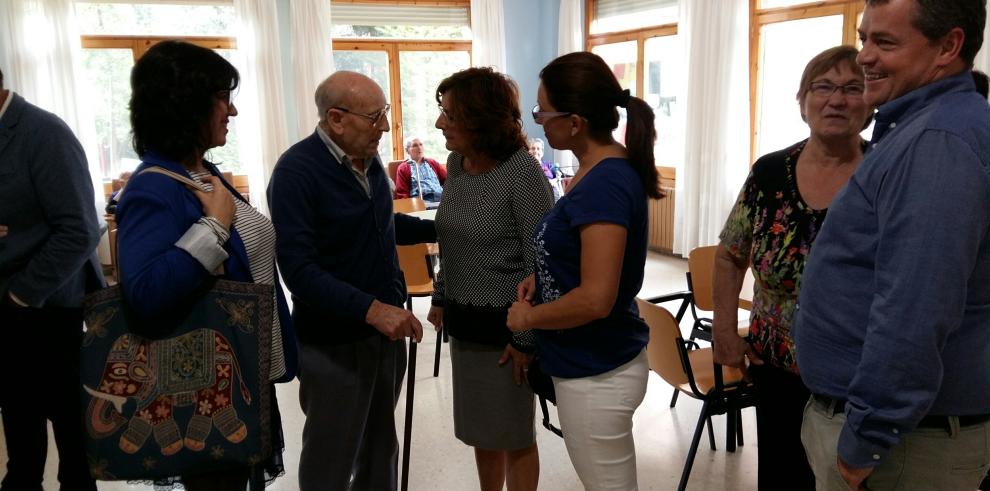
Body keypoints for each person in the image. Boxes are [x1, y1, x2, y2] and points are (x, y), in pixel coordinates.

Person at [792, 1, 990, 490]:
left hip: (901, 448)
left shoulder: (939, 141)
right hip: (894, 434)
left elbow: (915, 307)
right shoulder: (917, 128)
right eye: (864, 39)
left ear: (948, 46)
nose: (863, 58)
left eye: (884, 42)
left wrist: (867, 440)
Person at [116, 40, 295, 490]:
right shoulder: (153, 188)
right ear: (185, 104)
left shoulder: (204, 172)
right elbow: (145, 293)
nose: (231, 112)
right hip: (201, 388)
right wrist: (215, 226)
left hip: (235, 376)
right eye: (222, 98)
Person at [712, 45, 871, 491]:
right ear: (802, 102)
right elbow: (728, 255)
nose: (836, 100)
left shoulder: (885, 173)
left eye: (852, 88)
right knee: (782, 477)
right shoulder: (769, 174)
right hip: (775, 366)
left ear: (872, 101)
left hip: (857, 382)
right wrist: (725, 329)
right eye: (823, 87)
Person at [268, 71, 436, 491]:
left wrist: (443, 226)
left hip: (384, 333)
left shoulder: (368, 159)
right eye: (375, 116)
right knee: (332, 454)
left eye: (385, 115)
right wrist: (373, 310)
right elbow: (299, 272)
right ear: (337, 119)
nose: (384, 126)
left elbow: (380, 226)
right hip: (333, 343)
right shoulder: (296, 171)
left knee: (382, 446)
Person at [506, 51, 663, 490]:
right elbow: (583, 252)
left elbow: (596, 298)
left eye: (542, 111)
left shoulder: (606, 182)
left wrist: (528, 318)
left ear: (575, 122)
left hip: (597, 372)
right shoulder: (597, 170)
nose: (537, 120)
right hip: (591, 362)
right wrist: (548, 270)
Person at [425, 67, 553, 491]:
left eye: (450, 115)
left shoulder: (522, 172)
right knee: (482, 430)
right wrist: (441, 295)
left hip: (507, 332)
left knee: (513, 433)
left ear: (481, 117)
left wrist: (526, 339)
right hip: (465, 326)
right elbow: (451, 238)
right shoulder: (456, 165)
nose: (440, 123)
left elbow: (544, 266)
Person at [0, 67, 103, 491]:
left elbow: (80, 228)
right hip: (12, 315)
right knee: (22, 447)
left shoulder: (44, 132)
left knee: (74, 452)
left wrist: (21, 297)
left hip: (49, 311)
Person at [394, 136, 446, 202]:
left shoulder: (432, 163)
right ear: (407, 150)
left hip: (441, 200)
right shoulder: (403, 168)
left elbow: (448, 180)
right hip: (421, 203)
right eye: (415, 145)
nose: (419, 148)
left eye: (421, 144)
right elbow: (402, 194)